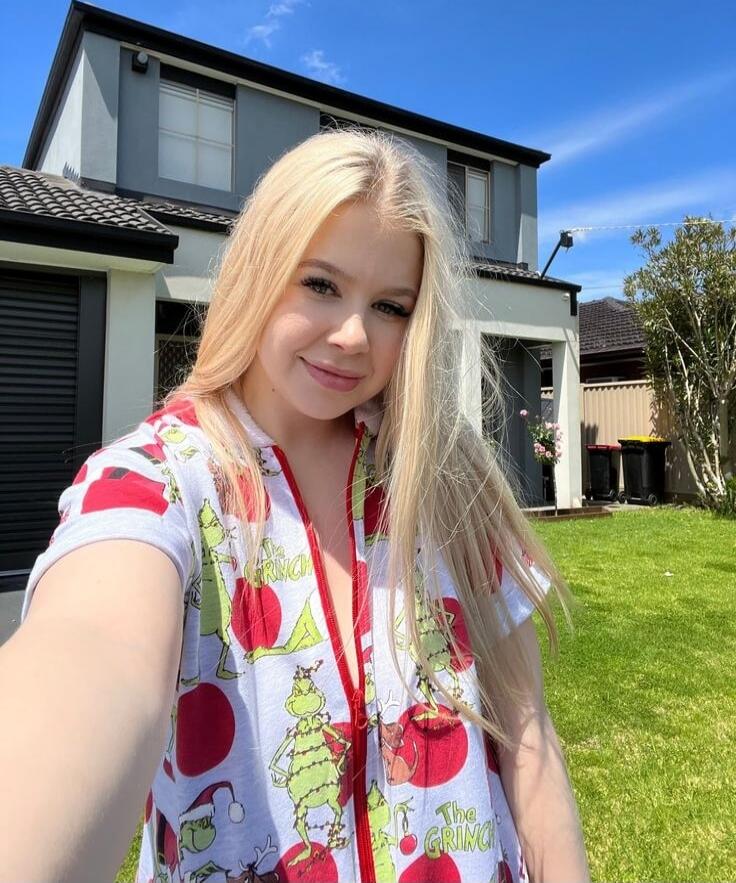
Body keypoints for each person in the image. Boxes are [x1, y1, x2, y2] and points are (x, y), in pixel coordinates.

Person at [0, 128, 590, 883]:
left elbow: (528, 734)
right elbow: (94, 657)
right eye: (319, 284)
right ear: (257, 272)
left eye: (390, 304)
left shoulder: (444, 476)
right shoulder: (157, 479)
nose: (352, 335)